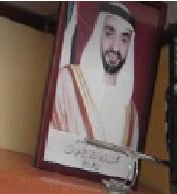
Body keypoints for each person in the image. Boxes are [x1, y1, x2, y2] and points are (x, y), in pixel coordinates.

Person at [52, 2, 139, 149]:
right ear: (98, 34)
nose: (115, 47)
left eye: (124, 39)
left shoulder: (131, 113)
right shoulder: (66, 81)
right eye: (109, 34)